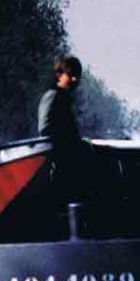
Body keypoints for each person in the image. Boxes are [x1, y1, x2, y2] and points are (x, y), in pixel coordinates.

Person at [37, 55, 89, 196]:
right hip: (60, 165)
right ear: (59, 75)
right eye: (70, 74)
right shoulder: (53, 97)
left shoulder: (65, 99)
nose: (74, 79)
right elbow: (45, 130)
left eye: (77, 75)